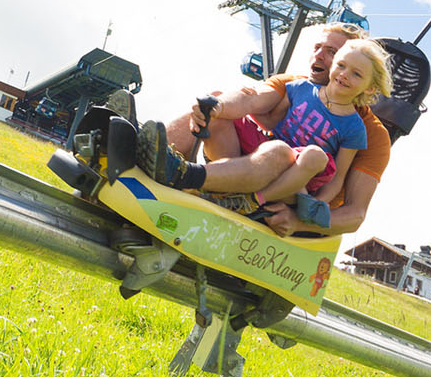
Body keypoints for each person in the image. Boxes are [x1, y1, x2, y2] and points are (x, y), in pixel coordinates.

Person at [141, 23, 396, 237]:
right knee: (218, 104)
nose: (319, 56)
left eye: (331, 52)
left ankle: (186, 176)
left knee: (282, 150)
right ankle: (147, 157)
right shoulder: (298, 86)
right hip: (255, 162)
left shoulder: (369, 133)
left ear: (367, 84)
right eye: (317, 48)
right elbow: (251, 101)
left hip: (287, 196)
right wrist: (216, 107)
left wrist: (299, 219)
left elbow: (355, 213)